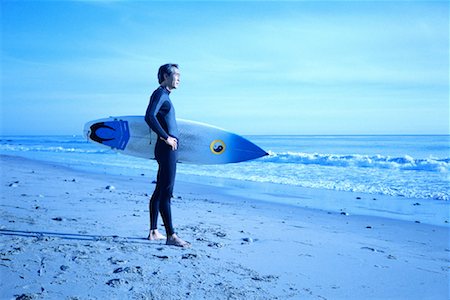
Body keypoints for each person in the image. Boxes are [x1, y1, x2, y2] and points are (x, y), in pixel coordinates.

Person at [144, 63, 190, 247]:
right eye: (176, 74)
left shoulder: (164, 95)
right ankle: (171, 235)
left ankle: (154, 231)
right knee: (166, 192)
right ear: (165, 75)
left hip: (166, 149)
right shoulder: (160, 94)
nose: (179, 78)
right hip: (166, 149)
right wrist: (166, 138)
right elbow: (149, 116)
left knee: (159, 190)